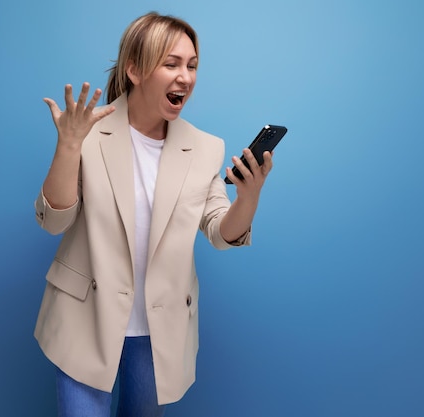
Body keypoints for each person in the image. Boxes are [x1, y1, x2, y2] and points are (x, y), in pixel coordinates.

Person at [34, 11, 274, 417]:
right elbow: (54, 220)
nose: (186, 77)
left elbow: (220, 232)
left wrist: (249, 197)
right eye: (171, 63)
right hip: (84, 317)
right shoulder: (88, 131)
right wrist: (68, 147)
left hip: (156, 329)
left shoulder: (204, 148)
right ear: (135, 70)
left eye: (192, 65)